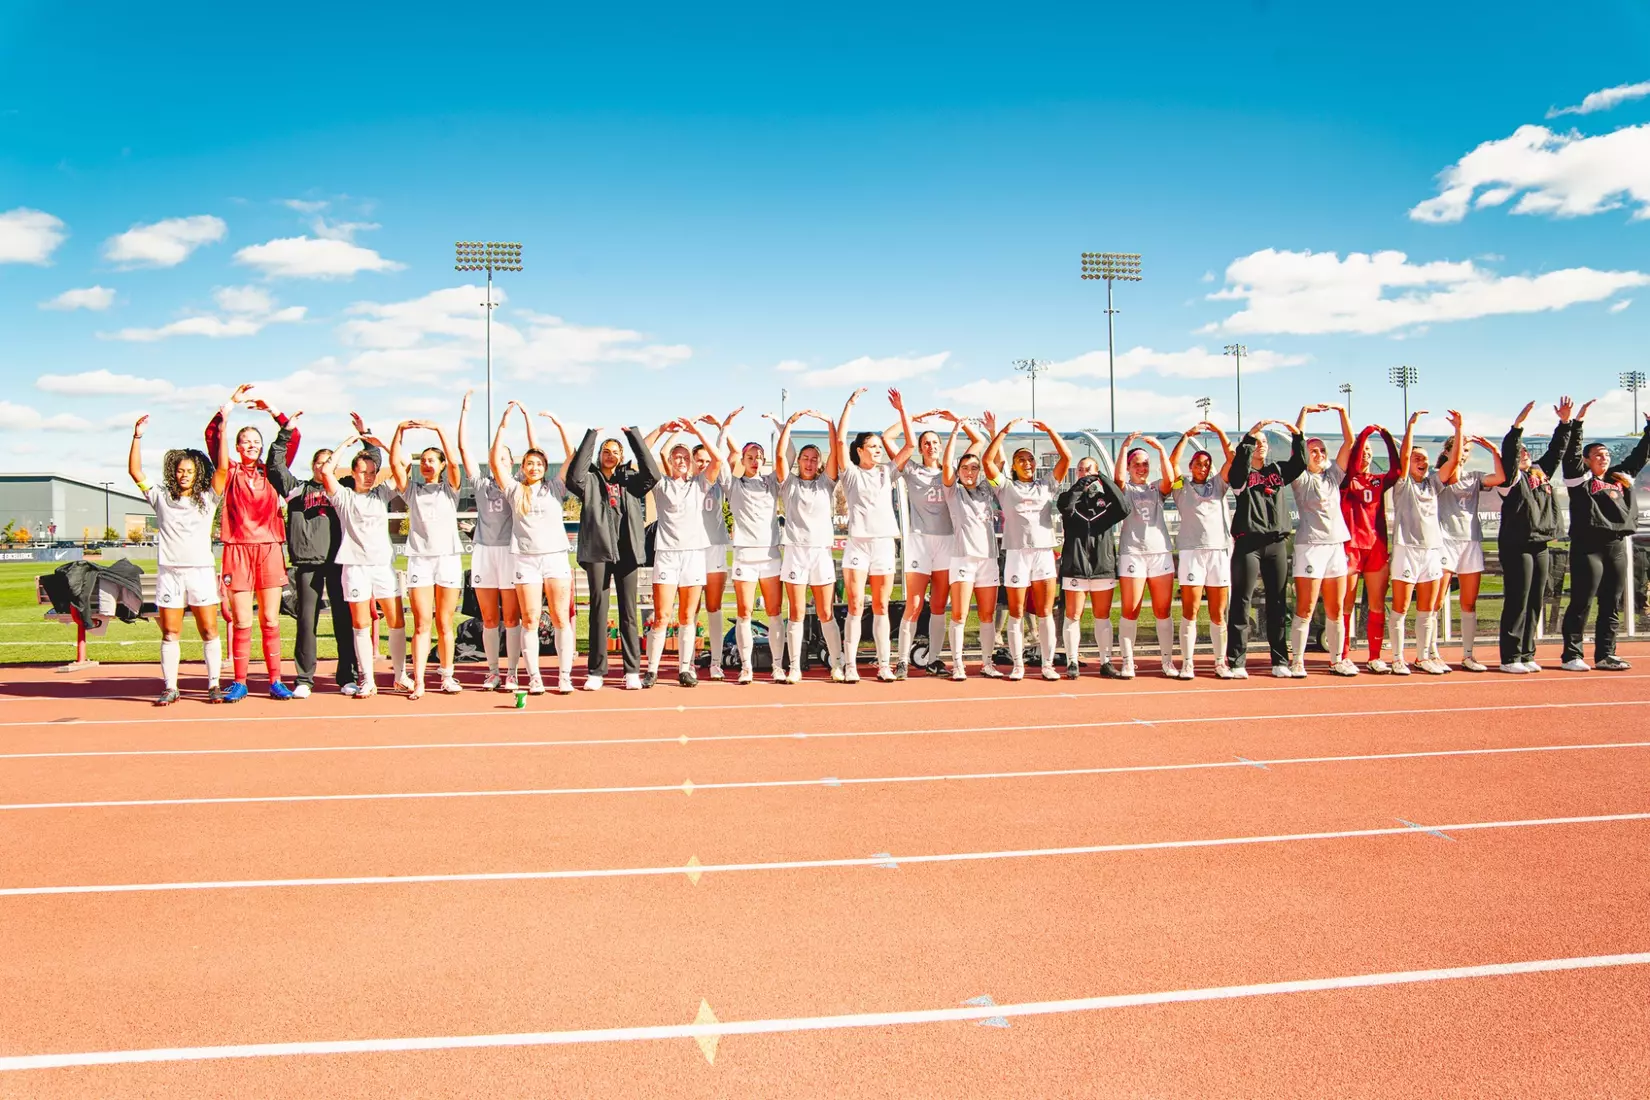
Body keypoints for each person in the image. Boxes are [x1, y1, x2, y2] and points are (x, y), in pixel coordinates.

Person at [269, 411, 382, 697]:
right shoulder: (298, 490)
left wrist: (365, 434)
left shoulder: (343, 489)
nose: (323, 467)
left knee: (345, 621)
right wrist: (285, 431)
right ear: (313, 466)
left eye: (327, 462)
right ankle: (305, 679)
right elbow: (275, 467)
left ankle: (346, 676)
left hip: (340, 563)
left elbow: (372, 464)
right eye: (318, 463)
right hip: (308, 563)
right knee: (307, 622)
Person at [206, 385, 299, 702]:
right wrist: (228, 408)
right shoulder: (229, 471)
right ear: (237, 445)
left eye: (256, 442)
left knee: (270, 620)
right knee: (242, 621)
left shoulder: (272, 472)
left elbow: (292, 437)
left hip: (270, 547)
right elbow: (211, 437)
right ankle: (240, 681)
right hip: (237, 549)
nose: (251, 446)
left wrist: (273, 409)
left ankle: (276, 680)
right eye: (245, 441)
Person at [128, 415, 223, 705]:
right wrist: (137, 436)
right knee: (170, 632)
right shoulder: (159, 497)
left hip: (201, 573)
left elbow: (224, 468)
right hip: (170, 573)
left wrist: (223, 430)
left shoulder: (208, 498)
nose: (184, 475)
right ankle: (171, 686)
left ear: (197, 474)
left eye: (190, 471)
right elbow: (135, 472)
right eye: (180, 470)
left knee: (209, 630)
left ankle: (214, 684)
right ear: (174, 472)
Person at [566, 422, 662, 691]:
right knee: (598, 609)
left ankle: (632, 669)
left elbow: (652, 473)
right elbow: (573, 475)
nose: (611, 455)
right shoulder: (590, 482)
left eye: (615, 451)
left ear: (622, 456)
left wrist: (632, 437)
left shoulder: (630, 480)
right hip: (598, 552)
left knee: (629, 612)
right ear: (599, 455)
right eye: (606, 451)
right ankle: (596, 671)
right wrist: (591, 437)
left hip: (628, 552)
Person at [491, 403, 577, 695]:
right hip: (526, 561)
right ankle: (535, 678)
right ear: (523, 467)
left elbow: (571, 456)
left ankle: (564, 676)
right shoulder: (515, 489)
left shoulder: (555, 487)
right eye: (530, 463)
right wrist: (503, 424)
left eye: (539, 463)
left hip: (555, 559)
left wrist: (558, 424)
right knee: (529, 619)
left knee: (560, 618)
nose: (534, 467)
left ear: (544, 467)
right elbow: (495, 461)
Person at [1559, 401, 1650, 672]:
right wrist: (1576, 424)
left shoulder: (1619, 477)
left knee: (1611, 603)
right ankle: (1572, 655)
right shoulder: (1579, 480)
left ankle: (1605, 655)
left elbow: (1641, 455)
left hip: (1617, 546)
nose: (1604, 457)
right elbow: (1571, 455)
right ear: (1587, 459)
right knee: (1581, 602)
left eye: (1606, 454)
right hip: (1588, 547)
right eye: (1597, 454)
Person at [979, 418, 1072, 681]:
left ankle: (1047, 664)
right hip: (1017, 553)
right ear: (1014, 465)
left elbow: (1065, 457)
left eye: (1030, 459)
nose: (1027, 463)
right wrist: (1002, 433)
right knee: (1017, 612)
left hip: (1043, 552)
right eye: (1021, 459)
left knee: (1045, 612)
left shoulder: (1045, 485)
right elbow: (987, 462)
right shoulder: (1005, 487)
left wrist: (1051, 430)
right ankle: (1018, 665)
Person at [893, 410, 983, 678]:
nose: (931, 446)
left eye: (934, 442)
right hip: (920, 541)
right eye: (926, 443)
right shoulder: (911, 468)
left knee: (939, 604)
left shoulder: (952, 468)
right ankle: (900, 661)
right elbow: (888, 439)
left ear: (942, 445)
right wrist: (908, 419)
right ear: (920, 448)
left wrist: (957, 420)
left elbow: (978, 443)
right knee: (915, 603)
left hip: (947, 542)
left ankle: (933, 659)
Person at [835, 388, 915, 682]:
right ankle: (850, 665)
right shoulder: (850, 473)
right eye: (872, 446)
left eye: (879, 446)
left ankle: (884, 665)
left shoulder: (887, 472)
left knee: (881, 606)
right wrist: (850, 404)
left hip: (883, 544)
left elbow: (910, 445)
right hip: (858, 545)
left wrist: (902, 410)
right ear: (860, 450)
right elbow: (840, 439)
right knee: (855, 605)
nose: (878, 450)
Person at [318, 433, 405, 698]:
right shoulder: (343, 497)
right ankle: (367, 679)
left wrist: (382, 446)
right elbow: (326, 470)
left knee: (396, 620)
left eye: (372, 472)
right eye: (363, 471)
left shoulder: (381, 494)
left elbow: (403, 466)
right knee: (361, 624)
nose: (368, 476)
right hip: (355, 568)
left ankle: (401, 675)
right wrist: (347, 443)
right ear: (353, 473)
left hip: (382, 566)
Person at [644, 418, 723, 688]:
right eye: (676, 456)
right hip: (666, 554)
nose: (680, 460)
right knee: (662, 615)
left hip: (693, 555)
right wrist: (667, 432)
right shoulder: (660, 483)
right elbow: (645, 451)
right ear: (670, 460)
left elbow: (718, 460)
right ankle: (651, 669)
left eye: (685, 457)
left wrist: (696, 431)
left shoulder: (699, 484)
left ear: (690, 462)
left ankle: (685, 669)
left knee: (688, 617)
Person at [1225, 419, 1307, 678]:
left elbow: (1300, 463)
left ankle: (1280, 660)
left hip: (1276, 543)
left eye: (1263, 442)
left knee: (1278, 601)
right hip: (1248, 543)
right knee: (1241, 601)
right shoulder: (1241, 474)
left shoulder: (1278, 470)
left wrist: (1297, 436)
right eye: (1255, 442)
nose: (1260, 446)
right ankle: (1237, 660)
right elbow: (1238, 467)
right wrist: (1249, 437)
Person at [389, 417, 465, 698]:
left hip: (447, 558)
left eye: (434, 460)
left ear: (442, 465)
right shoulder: (413, 491)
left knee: (445, 622)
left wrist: (439, 430)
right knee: (421, 623)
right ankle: (419, 680)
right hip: (420, 560)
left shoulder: (450, 489)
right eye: (424, 460)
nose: (428, 464)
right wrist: (399, 432)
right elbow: (396, 466)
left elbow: (456, 465)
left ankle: (447, 676)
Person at [457, 390, 525, 691]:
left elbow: (535, 450)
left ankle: (512, 671)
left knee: (511, 616)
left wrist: (508, 423)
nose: (499, 462)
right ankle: (494, 671)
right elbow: (462, 448)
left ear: (512, 464)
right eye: (495, 458)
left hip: (510, 553)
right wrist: (465, 412)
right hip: (484, 552)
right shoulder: (482, 484)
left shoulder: (518, 484)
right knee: (487, 617)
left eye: (505, 459)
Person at [1388, 409, 1465, 675]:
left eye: (1426, 459)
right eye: (1417, 458)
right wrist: (1410, 426)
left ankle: (1422, 657)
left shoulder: (1433, 483)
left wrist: (1459, 429)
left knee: (1428, 608)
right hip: (1406, 549)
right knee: (1401, 607)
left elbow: (1453, 462)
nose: (1422, 462)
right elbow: (1405, 454)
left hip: (1432, 551)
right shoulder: (1402, 483)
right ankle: (1398, 657)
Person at [1496, 400, 1569, 674]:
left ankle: (1527, 654)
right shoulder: (1510, 479)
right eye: (1522, 451)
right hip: (1517, 546)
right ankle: (1510, 657)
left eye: (1528, 451)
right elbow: (1511, 452)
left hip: (1540, 544)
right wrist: (1517, 428)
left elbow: (1556, 451)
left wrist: (1564, 423)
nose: (1525, 454)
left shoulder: (1540, 473)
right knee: (1518, 599)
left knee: (1536, 600)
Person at [775, 408, 846, 682]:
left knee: (826, 611)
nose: (808, 462)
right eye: (804, 458)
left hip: (821, 554)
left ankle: (837, 664)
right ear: (799, 462)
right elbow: (781, 456)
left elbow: (835, 453)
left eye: (813, 459)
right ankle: (794, 667)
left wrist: (830, 423)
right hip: (795, 553)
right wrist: (790, 424)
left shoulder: (826, 483)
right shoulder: (788, 484)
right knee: (795, 612)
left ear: (819, 463)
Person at [1287, 403, 1357, 677]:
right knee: (1305, 606)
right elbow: (1296, 442)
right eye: (1312, 450)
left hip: (1335, 546)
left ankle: (1337, 659)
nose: (1318, 454)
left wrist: (1341, 412)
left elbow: (1350, 442)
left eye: (1322, 450)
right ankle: (1298, 660)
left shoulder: (1333, 476)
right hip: (1310, 547)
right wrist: (1303, 413)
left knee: (1336, 608)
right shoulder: (1301, 478)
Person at [1435, 427, 1506, 672]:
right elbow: (1450, 470)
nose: (1463, 454)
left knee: (1469, 602)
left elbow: (1501, 477)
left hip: (1471, 542)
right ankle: (1430, 653)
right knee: (1436, 602)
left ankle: (1467, 655)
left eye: (1466, 450)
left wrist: (1494, 450)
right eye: (1458, 449)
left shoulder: (1475, 476)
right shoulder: (1439, 475)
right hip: (1445, 541)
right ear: (1447, 451)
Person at [1167, 423, 1234, 679]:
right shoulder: (1181, 487)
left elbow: (1232, 459)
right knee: (1190, 609)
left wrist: (1219, 432)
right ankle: (1187, 662)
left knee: (1218, 612)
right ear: (1191, 466)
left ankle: (1219, 662)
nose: (1202, 468)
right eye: (1198, 463)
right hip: (1191, 552)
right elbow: (1172, 463)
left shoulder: (1218, 484)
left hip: (1218, 551)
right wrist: (1186, 437)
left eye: (1206, 464)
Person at [1057, 453, 1129, 678]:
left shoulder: (1106, 501)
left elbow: (1123, 507)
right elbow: (1066, 506)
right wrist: (1080, 485)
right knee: (1073, 614)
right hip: (1075, 566)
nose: (1084, 473)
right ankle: (1072, 662)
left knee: (1102, 615)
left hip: (1101, 566)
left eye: (1088, 469)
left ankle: (1106, 661)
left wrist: (1103, 479)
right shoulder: (1069, 498)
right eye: (1080, 469)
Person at [727, 415, 787, 684]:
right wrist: (724, 427)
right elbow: (722, 455)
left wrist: (781, 426)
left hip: (770, 555)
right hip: (744, 556)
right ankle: (746, 667)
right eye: (750, 456)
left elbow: (789, 454)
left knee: (774, 612)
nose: (755, 459)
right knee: (744, 613)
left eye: (759, 455)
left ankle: (777, 666)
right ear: (743, 459)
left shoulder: (772, 482)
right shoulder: (733, 484)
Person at [942, 416, 1003, 680]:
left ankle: (987, 663)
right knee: (960, 614)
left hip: (988, 559)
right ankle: (957, 664)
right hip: (963, 559)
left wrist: (992, 431)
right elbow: (946, 464)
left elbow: (998, 463)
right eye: (965, 467)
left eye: (974, 468)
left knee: (988, 614)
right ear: (959, 470)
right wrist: (956, 430)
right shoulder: (953, 491)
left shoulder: (986, 490)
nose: (970, 472)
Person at [1111, 432, 1176, 679]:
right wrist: (1125, 445)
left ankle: (1167, 662)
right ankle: (1128, 662)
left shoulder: (1155, 488)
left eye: (1145, 464)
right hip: (1133, 553)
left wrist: (1160, 449)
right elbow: (1117, 478)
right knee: (1131, 609)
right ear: (1129, 467)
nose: (1141, 467)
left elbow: (1170, 480)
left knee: (1163, 610)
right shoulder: (1124, 487)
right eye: (1136, 463)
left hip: (1160, 553)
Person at [1339, 423, 1402, 672]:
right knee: (1346, 603)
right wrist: (1364, 434)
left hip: (1376, 546)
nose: (1365, 454)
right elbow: (1353, 464)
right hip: (1351, 547)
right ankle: (1342, 654)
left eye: (1369, 451)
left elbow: (1397, 470)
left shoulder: (1378, 481)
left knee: (1376, 603)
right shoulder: (1347, 478)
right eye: (1362, 450)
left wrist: (1386, 437)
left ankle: (1375, 656)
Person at [693, 410, 741, 681]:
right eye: (698, 461)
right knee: (690, 608)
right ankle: (687, 660)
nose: (703, 464)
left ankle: (714, 661)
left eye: (706, 460)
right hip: (689, 550)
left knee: (714, 605)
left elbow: (733, 453)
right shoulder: (686, 483)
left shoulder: (720, 482)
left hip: (715, 547)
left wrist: (722, 428)